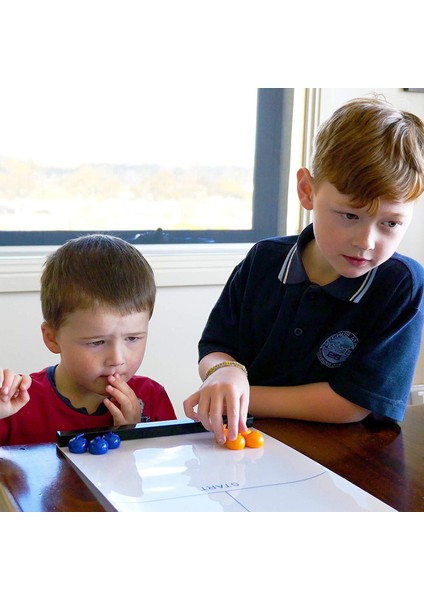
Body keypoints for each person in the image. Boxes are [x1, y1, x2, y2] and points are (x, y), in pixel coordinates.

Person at [184, 96, 424, 444]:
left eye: (390, 223)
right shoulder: (263, 260)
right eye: (350, 216)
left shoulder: (401, 284)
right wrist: (223, 371)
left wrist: (241, 391)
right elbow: (216, 345)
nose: (366, 241)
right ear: (307, 190)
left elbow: (352, 402)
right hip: (249, 442)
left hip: (352, 459)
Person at [0, 234, 176, 445]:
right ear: (52, 338)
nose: (117, 359)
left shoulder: (152, 399)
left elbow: (168, 474)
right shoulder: (17, 403)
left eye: (132, 338)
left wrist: (135, 433)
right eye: (97, 342)